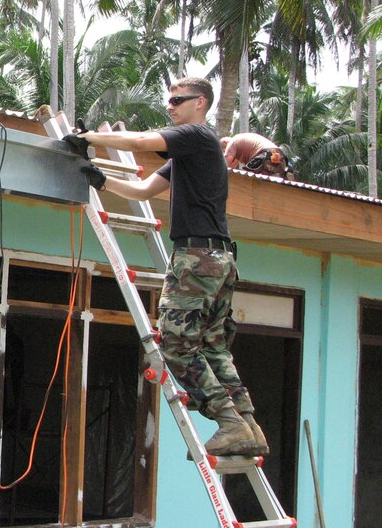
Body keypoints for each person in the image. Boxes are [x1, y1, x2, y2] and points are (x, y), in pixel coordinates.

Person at [76, 77, 268, 457]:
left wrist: (87, 139)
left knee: (177, 344)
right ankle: (248, 426)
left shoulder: (198, 135)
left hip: (197, 257)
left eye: (177, 100)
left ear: (200, 102)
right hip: (217, 259)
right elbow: (143, 190)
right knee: (212, 347)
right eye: (169, 102)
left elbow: (140, 142)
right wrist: (100, 180)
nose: (171, 107)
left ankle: (229, 423)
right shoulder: (192, 155)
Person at [220, 132, 294, 180]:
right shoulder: (241, 142)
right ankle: (285, 173)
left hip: (265, 156)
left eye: (224, 150)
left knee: (243, 179)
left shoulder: (232, 143)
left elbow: (225, 167)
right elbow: (232, 168)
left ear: (225, 142)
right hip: (280, 157)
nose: (226, 152)